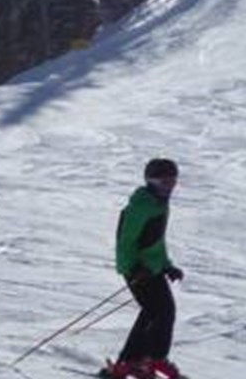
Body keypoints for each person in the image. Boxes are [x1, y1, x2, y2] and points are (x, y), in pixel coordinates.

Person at [103, 159, 186, 379]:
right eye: (163, 182)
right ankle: (154, 359)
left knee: (153, 312)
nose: (169, 187)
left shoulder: (158, 204)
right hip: (138, 269)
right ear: (151, 182)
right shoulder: (141, 207)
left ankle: (130, 363)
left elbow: (155, 241)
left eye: (172, 182)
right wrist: (135, 268)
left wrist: (167, 266)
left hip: (151, 268)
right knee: (163, 311)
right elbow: (125, 242)